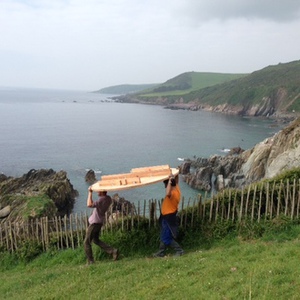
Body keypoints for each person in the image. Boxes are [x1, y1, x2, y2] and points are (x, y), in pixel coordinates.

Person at [84, 187, 119, 264]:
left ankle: (90, 261)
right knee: (95, 240)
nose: (97, 192)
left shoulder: (101, 200)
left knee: (86, 242)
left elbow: (89, 204)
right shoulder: (108, 199)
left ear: (102, 191)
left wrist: (90, 192)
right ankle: (112, 251)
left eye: (99, 190)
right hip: (100, 222)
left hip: (94, 223)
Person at [154, 175, 184, 257]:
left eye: (165, 185)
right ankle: (161, 252)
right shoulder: (177, 188)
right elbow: (176, 181)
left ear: (169, 185)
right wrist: (175, 175)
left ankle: (179, 250)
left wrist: (169, 182)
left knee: (166, 237)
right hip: (167, 217)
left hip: (168, 217)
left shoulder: (172, 194)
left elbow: (167, 193)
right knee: (164, 234)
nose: (165, 186)